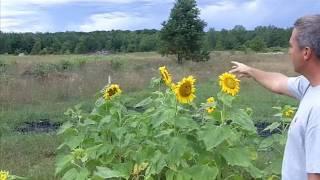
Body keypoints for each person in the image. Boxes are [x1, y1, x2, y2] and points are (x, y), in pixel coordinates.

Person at [229, 15, 320, 180]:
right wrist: (249, 70)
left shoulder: (318, 109)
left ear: (306, 52)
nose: (289, 51)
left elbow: (316, 174)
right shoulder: (309, 85)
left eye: (291, 46)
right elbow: (279, 82)